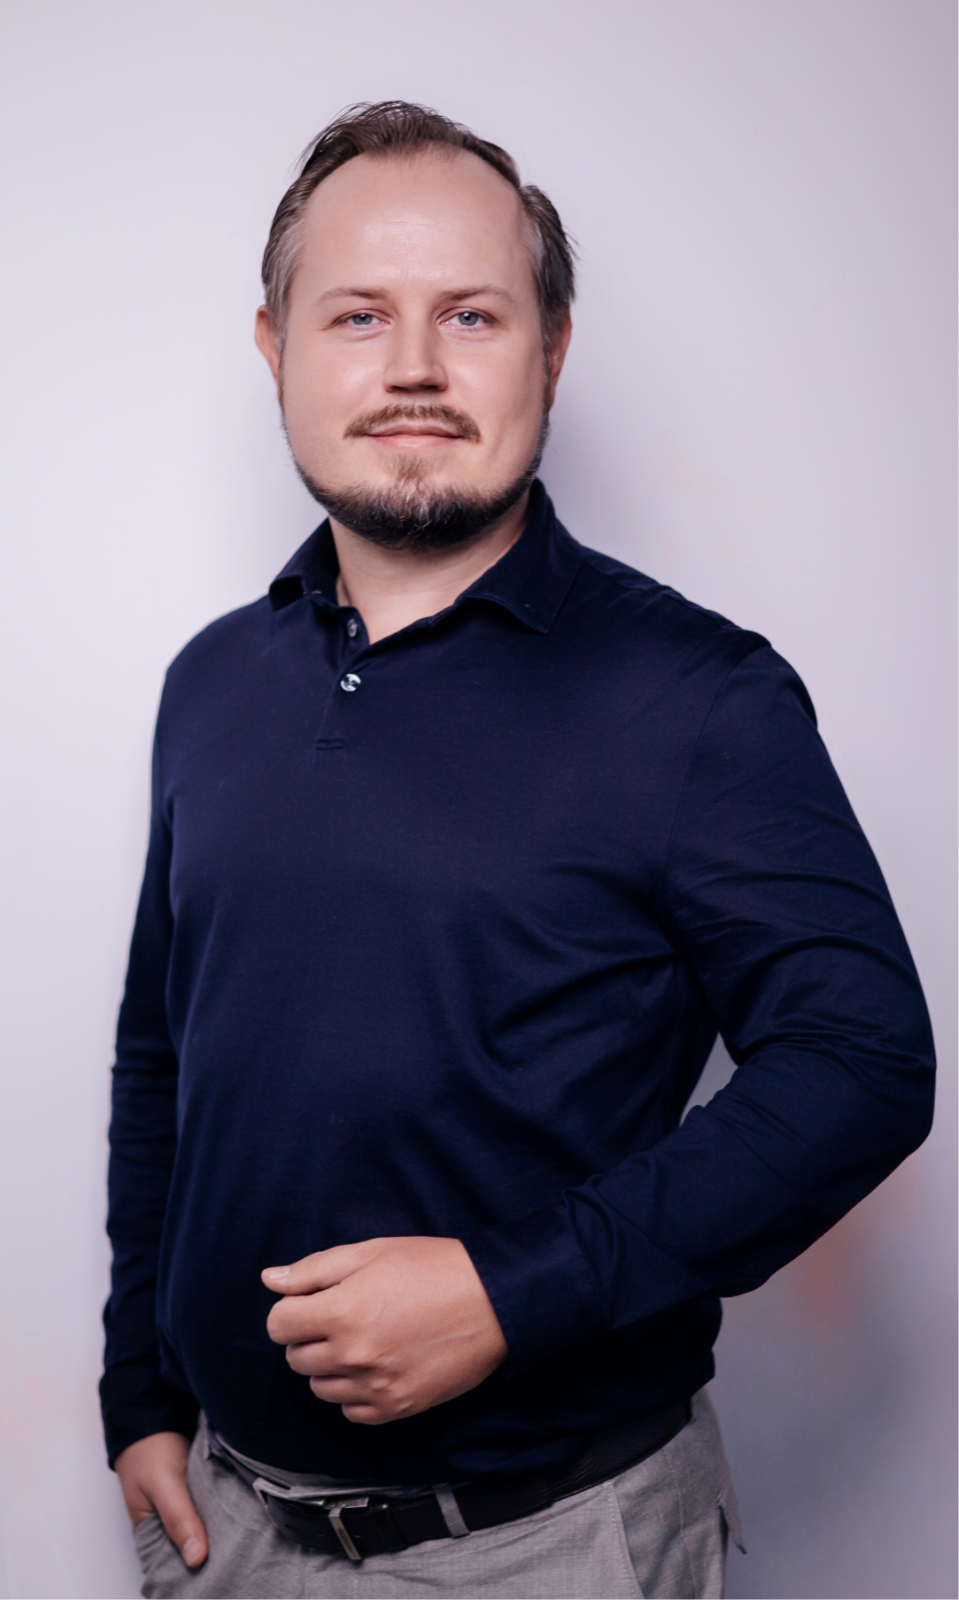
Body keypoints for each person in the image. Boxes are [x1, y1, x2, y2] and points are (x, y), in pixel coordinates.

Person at [100, 102, 935, 1600]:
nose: (413, 366)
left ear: (549, 355)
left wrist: (512, 1291)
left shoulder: (698, 699)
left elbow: (860, 1062)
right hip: (225, 1530)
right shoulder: (210, 681)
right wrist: (139, 1392)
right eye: (358, 315)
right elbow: (165, 1054)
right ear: (275, 350)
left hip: (546, 1544)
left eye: (471, 315)